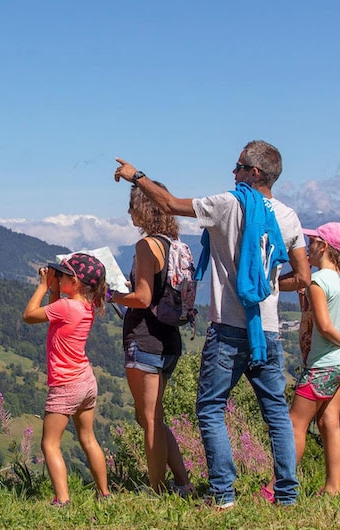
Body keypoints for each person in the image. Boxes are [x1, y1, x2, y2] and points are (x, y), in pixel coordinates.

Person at [114, 140, 311, 509]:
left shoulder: (228, 204)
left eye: (237, 166)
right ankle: (287, 495)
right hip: (267, 329)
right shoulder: (288, 216)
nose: (232, 172)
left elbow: (171, 204)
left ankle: (224, 495)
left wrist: (135, 176)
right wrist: (267, 286)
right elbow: (302, 276)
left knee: (209, 408)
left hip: (228, 328)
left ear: (254, 173)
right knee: (276, 414)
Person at [263, 222, 340, 500]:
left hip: (323, 364)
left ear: (323, 247)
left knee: (294, 424)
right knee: (329, 424)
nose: (306, 247)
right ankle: (333, 489)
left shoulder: (318, 282)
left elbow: (324, 326)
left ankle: (275, 488)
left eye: (311, 242)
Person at [108, 183, 194, 496]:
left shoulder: (146, 247)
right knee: (152, 417)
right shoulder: (175, 245)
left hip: (144, 339)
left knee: (150, 420)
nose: (129, 212)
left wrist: (110, 293)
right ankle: (182, 483)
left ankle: (158, 490)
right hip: (169, 339)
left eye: (132, 206)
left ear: (144, 209)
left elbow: (143, 298)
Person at [23, 252, 111, 506]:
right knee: (88, 438)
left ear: (74, 282)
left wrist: (42, 286)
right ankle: (104, 494)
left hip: (65, 384)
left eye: (62, 275)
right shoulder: (87, 306)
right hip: (86, 381)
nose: (57, 278)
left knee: (49, 444)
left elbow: (29, 316)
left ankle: (62, 500)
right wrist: (55, 289)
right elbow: (56, 311)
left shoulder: (65, 307)